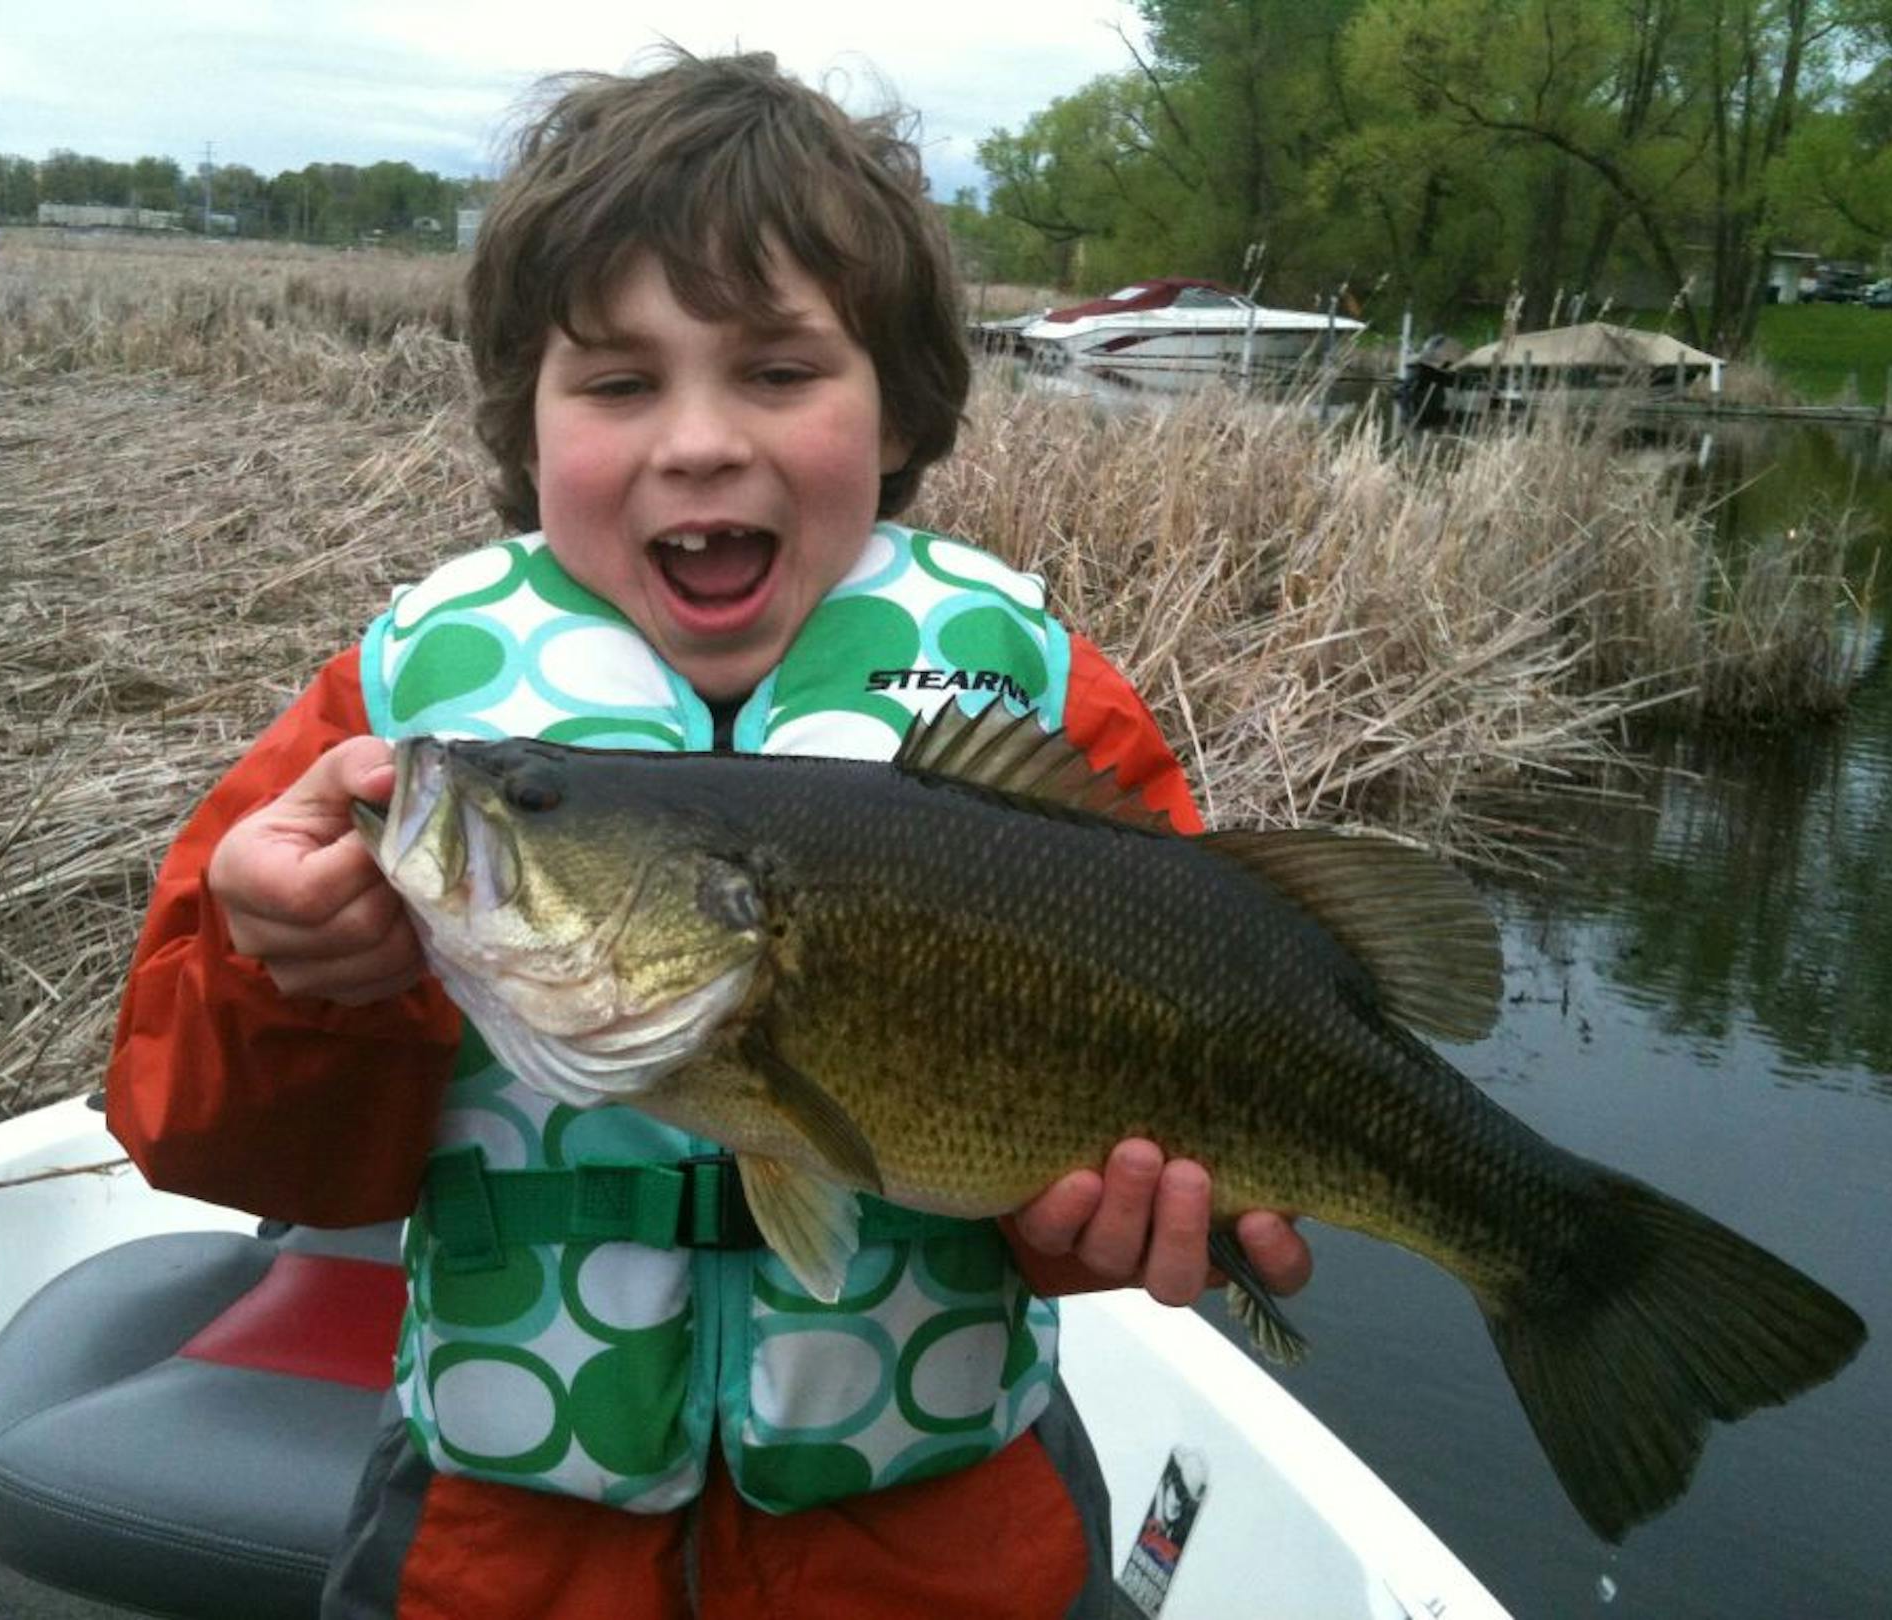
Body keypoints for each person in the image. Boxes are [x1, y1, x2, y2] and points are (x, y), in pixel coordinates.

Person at [106, 48, 1311, 1620]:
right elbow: (198, 1134)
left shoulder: (1037, 707)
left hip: (942, 1550)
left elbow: (1161, 1074)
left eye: (778, 370)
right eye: (616, 383)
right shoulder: (401, 734)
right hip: (506, 1553)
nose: (696, 441)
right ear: (524, 428)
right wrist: (288, 977)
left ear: (896, 410)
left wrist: (1090, 1230)